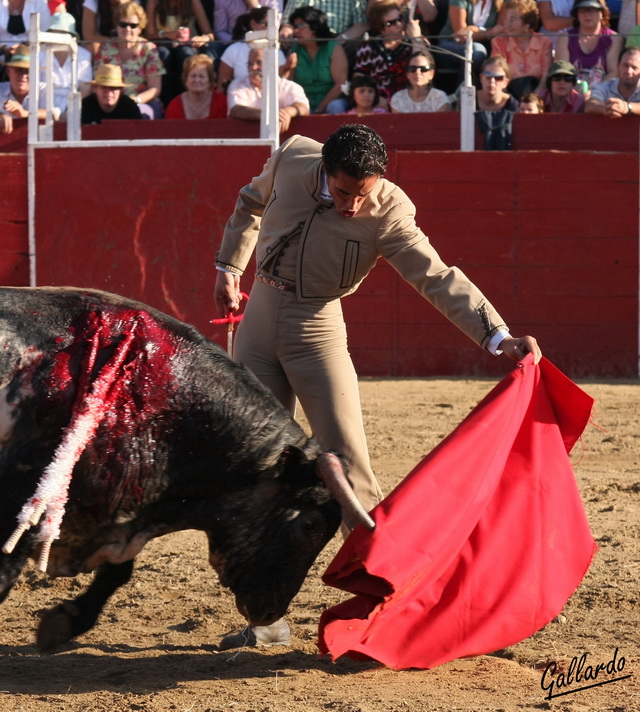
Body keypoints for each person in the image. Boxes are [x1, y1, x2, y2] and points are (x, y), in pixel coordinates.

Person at [213, 123, 541, 649]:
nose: (350, 205)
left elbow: (436, 275)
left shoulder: (388, 208)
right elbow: (249, 203)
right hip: (257, 320)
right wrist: (229, 265)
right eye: (343, 192)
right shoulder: (294, 157)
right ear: (326, 170)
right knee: (257, 473)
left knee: (347, 466)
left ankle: (389, 607)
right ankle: (266, 619)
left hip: (316, 328)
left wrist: (496, 335)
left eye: (360, 195)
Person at [351, 0, 430, 109]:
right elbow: (359, 79)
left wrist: (415, 39)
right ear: (381, 29)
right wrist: (375, 99)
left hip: (410, 100)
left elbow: (427, 69)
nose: (399, 24)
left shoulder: (416, 42)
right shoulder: (369, 46)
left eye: (400, 19)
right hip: (377, 102)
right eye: (391, 23)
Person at [93, 1, 166, 118]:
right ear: (116, 25)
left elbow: (155, 88)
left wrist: (135, 100)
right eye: (123, 24)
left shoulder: (148, 49)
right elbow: (98, 82)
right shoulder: (106, 48)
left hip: (142, 102)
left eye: (133, 25)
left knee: (139, 114)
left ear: (140, 28)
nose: (127, 28)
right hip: (111, 103)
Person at [144, 0, 220, 105]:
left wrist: (203, 38)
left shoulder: (193, 2)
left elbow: (210, 34)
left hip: (187, 46)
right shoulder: (154, 2)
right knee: (163, 54)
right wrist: (166, 34)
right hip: (163, 46)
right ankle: (167, 103)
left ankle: (187, 100)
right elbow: (149, 35)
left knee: (185, 54)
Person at [227, 46, 309, 131]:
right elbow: (237, 110)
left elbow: (302, 107)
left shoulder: (290, 86)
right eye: (250, 64)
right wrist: (269, 115)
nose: (253, 68)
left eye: (259, 63)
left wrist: (286, 113)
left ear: (273, 64)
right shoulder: (237, 85)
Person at [287, 5, 349, 114]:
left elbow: (340, 84)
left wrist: (319, 109)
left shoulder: (334, 49)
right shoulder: (294, 51)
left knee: (335, 106)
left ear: (315, 26)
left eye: (300, 25)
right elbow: (289, 83)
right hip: (303, 104)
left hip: (331, 102)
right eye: (294, 27)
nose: (296, 31)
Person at [216, 7, 289, 93]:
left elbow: (283, 84)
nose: (270, 28)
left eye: (274, 25)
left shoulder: (277, 52)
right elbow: (222, 87)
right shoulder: (234, 50)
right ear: (253, 24)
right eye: (266, 24)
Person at [555, 0, 623, 91]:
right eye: (583, 10)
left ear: (601, 13)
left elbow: (613, 72)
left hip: (603, 93)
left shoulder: (614, 38)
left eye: (592, 10)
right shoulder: (565, 38)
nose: (587, 14)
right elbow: (562, 71)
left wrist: (594, 93)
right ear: (577, 14)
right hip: (571, 92)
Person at [490, 0, 553, 98]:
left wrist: (535, 97)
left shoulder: (544, 42)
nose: (507, 24)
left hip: (537, 94)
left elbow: (546, 74)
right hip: (510, 96)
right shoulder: (499, 42)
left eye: (512, 19)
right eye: (506, 19)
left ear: (527, 24)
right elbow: (499, 76)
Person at [41, 11, 93, 120]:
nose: (57, 37)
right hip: (42, 109)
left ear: (71, 36)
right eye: (54, 33)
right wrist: (47, 113)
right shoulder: (38, 54)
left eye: (62, 33)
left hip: (74, 111)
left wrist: (70, 112)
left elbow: (85, 90)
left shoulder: (84, 56)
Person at [437, 0, 505, 79]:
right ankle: (464, 89)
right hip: (451, 43)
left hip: (486, 45)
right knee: (477, 51)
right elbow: (461, 35)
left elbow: (500, 29)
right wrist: (490, 32)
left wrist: (475, 29)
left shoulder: (503, 2)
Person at [0, 43, 48, 134]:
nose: (23, 76)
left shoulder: (44, 89)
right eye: (18, 70)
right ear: (8, 71)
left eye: (28, 71)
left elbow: (54, 114)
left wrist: (25, 113)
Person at [164, 52, 227, 117]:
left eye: (201, 76)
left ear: (210, 80)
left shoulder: (222, 102)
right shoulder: (175, 105)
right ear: (186, 79)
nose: (197, 80)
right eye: (193, 76)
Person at [585, 44, 640, 114]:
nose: (628, 71)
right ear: (618, 66)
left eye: (634, 67)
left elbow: (626, 107)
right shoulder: (603, 87)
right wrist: (606, 109)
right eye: (625, 65)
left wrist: (627, 107)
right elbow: (590, 105)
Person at [0, 0, 50, 70]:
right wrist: (3, 47)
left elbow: (45, 33)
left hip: (31, 53)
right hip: (2, 54)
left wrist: (23, 46)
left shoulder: (40, 2)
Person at [214, 0, 280, 45]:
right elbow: (220, 31)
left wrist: (256, 7)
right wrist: (237, 44)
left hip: (267, 42)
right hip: (235, 42)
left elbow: (275, 25)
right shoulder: (222, 1)